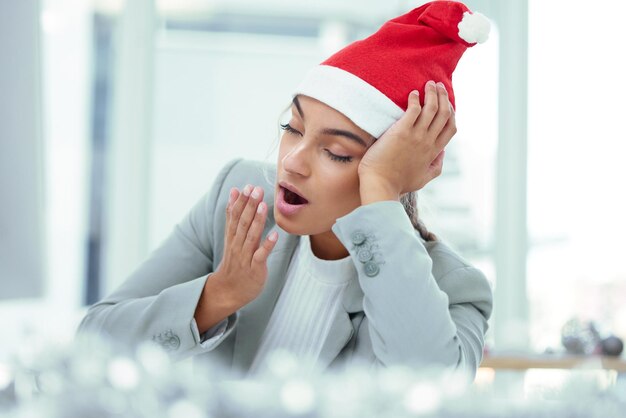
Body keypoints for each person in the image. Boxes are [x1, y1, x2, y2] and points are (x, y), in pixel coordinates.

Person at [78, 0, 493, 378]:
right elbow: (94, 342)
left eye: (335, 152)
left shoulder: (455, 288)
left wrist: (383, 191)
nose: (292, 161)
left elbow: (430, 390)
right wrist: (218, 296)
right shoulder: (238, 198)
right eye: (292, 129)